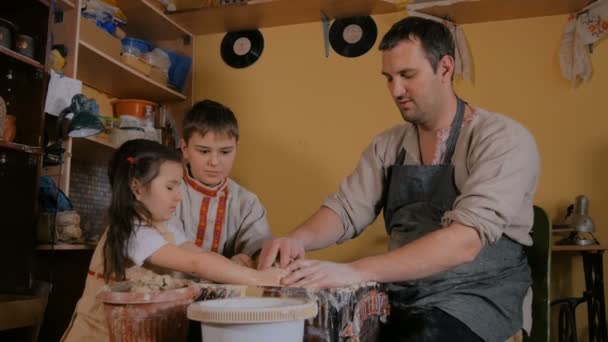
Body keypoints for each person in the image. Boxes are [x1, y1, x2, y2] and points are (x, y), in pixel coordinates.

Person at [257, 16, 540, 342]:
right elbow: (347, 209)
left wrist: (355, 270)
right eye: (388, 78)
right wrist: (298, 239)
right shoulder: (387, 145)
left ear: (445, 69)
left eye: (407, 75)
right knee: (309, 327)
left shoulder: (503, 139)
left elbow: (465, 242)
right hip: (400, 293)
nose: (395, 90)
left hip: (478, 295)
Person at [62, 139, 285, 342]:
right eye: (170, 187)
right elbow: (195, 265)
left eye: (179, 186)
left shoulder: (164, 226)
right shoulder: (132, 231)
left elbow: (197, 254)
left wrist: (236, 267)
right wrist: (258, 279)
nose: (178, 196)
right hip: (98, 335)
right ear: (137, 187)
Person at [169, 99, 272, 267]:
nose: (215, 162)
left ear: (236, 148)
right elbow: (169, 246)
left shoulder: (247, 202)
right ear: (185, 148)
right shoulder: (168, 193)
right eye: (203, 151)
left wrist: (257, 258)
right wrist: (230, 264)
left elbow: (260, 246)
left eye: (225, 152)